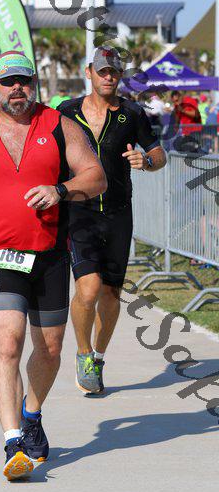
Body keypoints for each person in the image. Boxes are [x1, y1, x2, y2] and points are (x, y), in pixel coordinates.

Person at [0, 51, 106, 480]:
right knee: (7, 344)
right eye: (9, 81)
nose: (17, 89)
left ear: (34, 83)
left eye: (24, 81)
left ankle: (32, 413)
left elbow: (96, 176)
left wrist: (60, 190)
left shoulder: (60, 126)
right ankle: (13, 442)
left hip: (50, 255)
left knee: (50, 349)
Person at [58, 46, 166, 395]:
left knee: (110, 292)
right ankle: (83, 353)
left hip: (119, 213)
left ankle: (99, 356)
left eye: (114, 72)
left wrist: (145, 162)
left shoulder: (132, 113)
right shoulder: (66, 112)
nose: (108, 77)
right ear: (88, 72)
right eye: (102, 71)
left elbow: (159, 154)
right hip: (79, 211)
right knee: (88, 288)